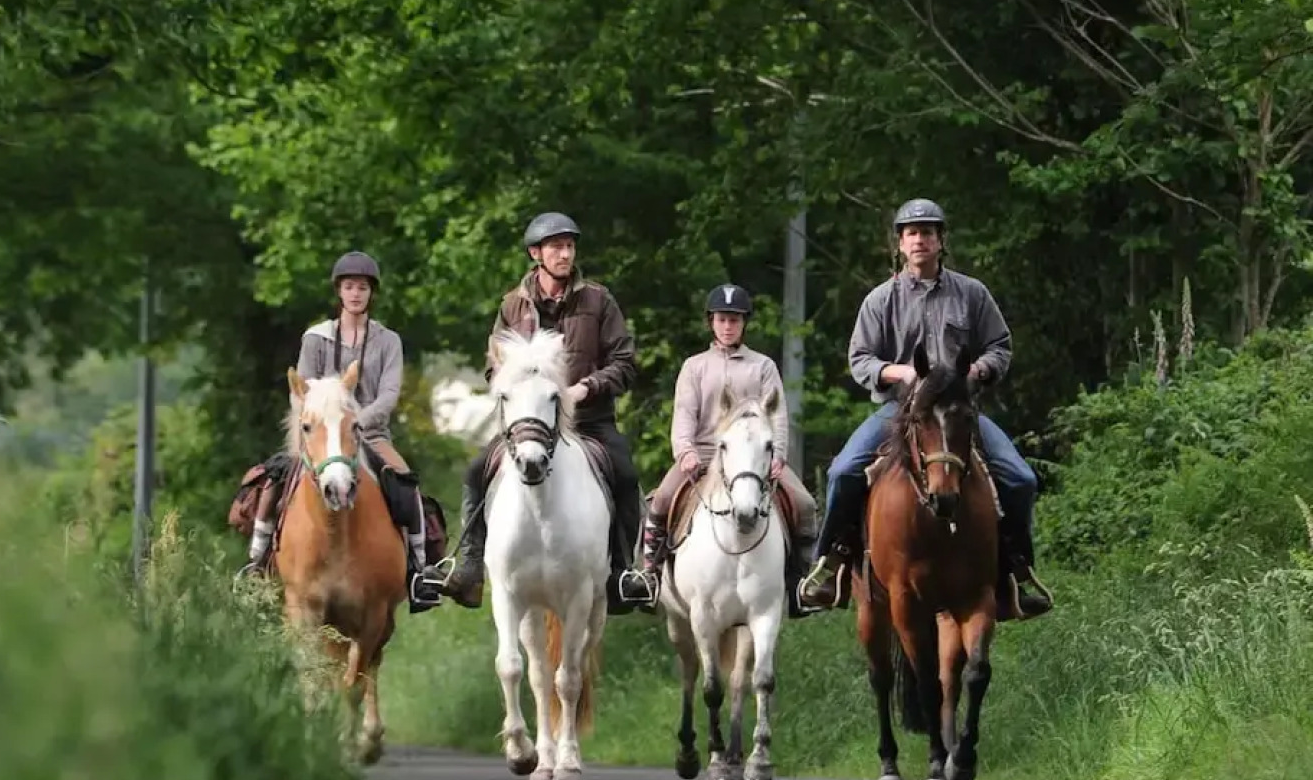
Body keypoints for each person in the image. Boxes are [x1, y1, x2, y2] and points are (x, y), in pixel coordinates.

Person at [797, 197, 1055, 620]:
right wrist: (897, 373)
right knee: (843, 471)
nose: (920, 240)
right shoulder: (880, 300)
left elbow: (999, 345)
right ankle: (830, 564)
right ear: (900, 243)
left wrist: (980, 369)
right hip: (900, 411)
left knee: (1022, 479)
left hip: (956, 411)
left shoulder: (972, 293)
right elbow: (860, 358)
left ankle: (1017, 572)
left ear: (941, 241)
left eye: (928, 233)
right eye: (912, 233)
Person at [417, 211, 651, 614]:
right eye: (556, 246)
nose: (565, 253)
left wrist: (586, 387)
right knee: (476, 473)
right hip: (527, 425)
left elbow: (625, 362)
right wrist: (515, 386)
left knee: (626, 477)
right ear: (535, 254)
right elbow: (494, 365)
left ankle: (622, 573)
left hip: (588, 422)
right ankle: (470, 566)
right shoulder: (512, 305)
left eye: (569, 246)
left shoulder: (599, 299)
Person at [236, 250, 441, 609]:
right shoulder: (315, 338)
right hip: (318, 435)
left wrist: (357, 421)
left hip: (369, 433)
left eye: (362, 287)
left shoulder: (388, 341)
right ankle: (256, 562)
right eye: (349, 287)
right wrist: (322, 422)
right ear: (339, 292)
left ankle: (421, 570)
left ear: (371, 293)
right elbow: (301, 388)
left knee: (406, 484)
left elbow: (390, 393)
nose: (356, 294)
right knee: (273, 482)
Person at [616, 283, 822, 617]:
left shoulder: (763, 367)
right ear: (711, 321)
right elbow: (684, 413)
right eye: (722, 319)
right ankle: (649, 576)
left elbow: (778, 416)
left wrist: (778, 454)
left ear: (744, 323)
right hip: (704, 454)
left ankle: (802, 582)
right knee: (663, 499)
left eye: (735, 320)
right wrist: (684, 451)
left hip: (755, 458)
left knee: (804, 503)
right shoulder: (695, 366)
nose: (728, 326)